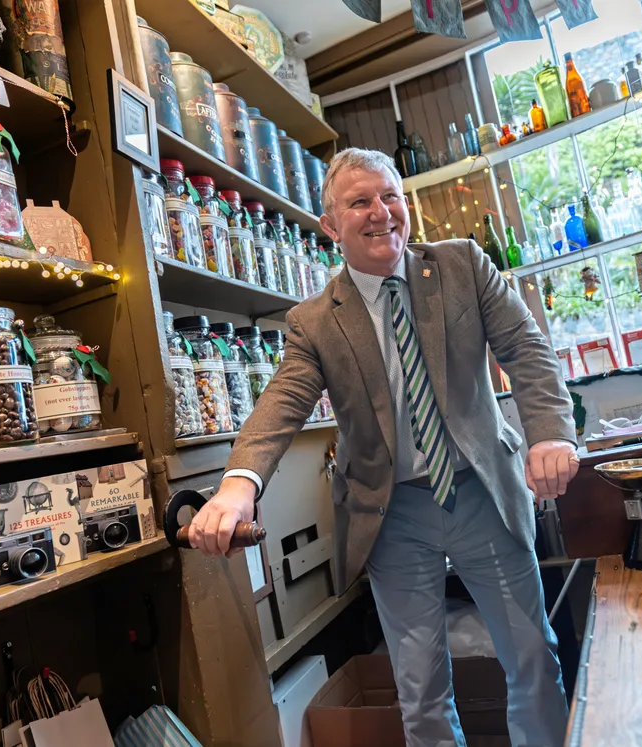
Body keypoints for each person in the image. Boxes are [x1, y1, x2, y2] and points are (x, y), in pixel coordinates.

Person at [187, 148, 580, 747]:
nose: (381, 213)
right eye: (360, 202)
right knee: (419, 692)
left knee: (532, 657)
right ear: (330, 226)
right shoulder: (314, 320)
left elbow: (526, 348)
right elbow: (281, 403)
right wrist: (238, 488)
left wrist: (549, 431)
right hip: (393, 515)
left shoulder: (461, 266)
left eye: (390, 196)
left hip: (481, 491)